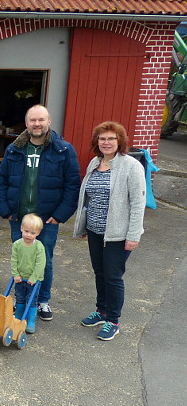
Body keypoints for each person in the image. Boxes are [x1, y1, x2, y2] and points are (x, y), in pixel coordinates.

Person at [0, 104, 80, 321]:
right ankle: (21, 300)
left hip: (47, 219)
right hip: (20, 219)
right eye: (33, 120)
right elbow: (2, 180)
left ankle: (42, 301)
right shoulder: (14, 149)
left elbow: (72, 185)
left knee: (45, 261)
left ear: (49, 122)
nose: (37, 124)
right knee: (21, 260)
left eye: (41, 120)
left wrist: (60, 215)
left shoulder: (63, 149)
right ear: (27, 123)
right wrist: (4, 209)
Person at [74, 121, 146, 341]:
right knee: (100, 272)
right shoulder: (94, 163)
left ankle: (113, 321)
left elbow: (138, 202)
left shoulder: (131, 166)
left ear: (119, 141)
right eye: (102, 138)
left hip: (118, 233)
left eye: (111, 139)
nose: (106, 142)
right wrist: (84, 224)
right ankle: (102, 310)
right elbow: (88, 198)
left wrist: (133, 235)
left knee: (113, 277)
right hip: (95, 231)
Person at [11, 213, 46, 334]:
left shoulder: (39, 247)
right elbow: (14, 260)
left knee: (31, 300)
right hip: (19, 278)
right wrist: (15, 274)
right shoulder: (17, 244)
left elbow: (40, 264)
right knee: (20, 298)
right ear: (21, 228)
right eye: (26, 231)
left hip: (33, 280)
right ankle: (18, 318)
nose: (29, 235)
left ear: (38, 233)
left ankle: (30, 322)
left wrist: (34, 277)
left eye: (33, 233)